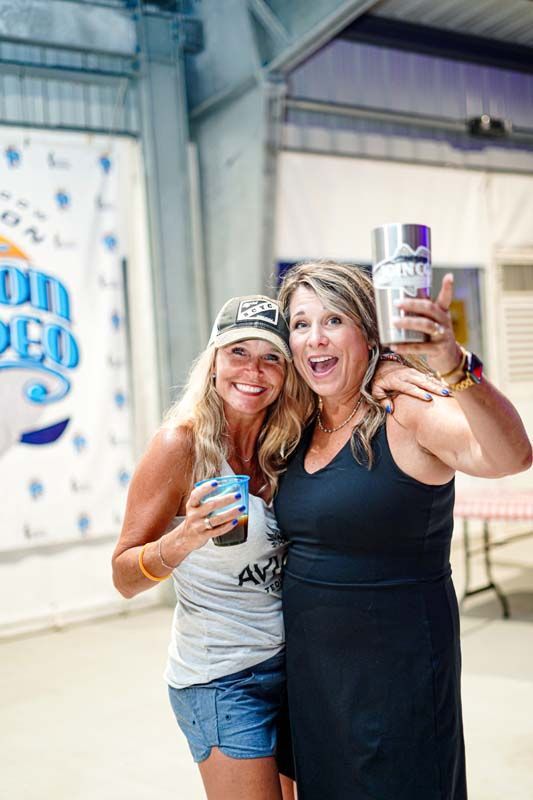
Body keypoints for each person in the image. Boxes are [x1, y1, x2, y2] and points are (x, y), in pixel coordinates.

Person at [112, 292, 442, 800]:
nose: (254, 371)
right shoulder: (179, 446)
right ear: (214, 362)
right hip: (221, 679)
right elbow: (123, 576)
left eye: (272, 358)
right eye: (238, 353)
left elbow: (347, 382)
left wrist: (386, 369)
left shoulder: (286, 440)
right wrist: (185, 537)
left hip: (296, 668)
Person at [274, 261, 532, 800]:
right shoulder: (297, 422)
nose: (315, 338)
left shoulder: (408, 409)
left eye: (334, 320)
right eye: (300, 324)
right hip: (314, 678)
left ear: (368, 332)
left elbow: (510, 455)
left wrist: (454, 366)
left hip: (396, 675)